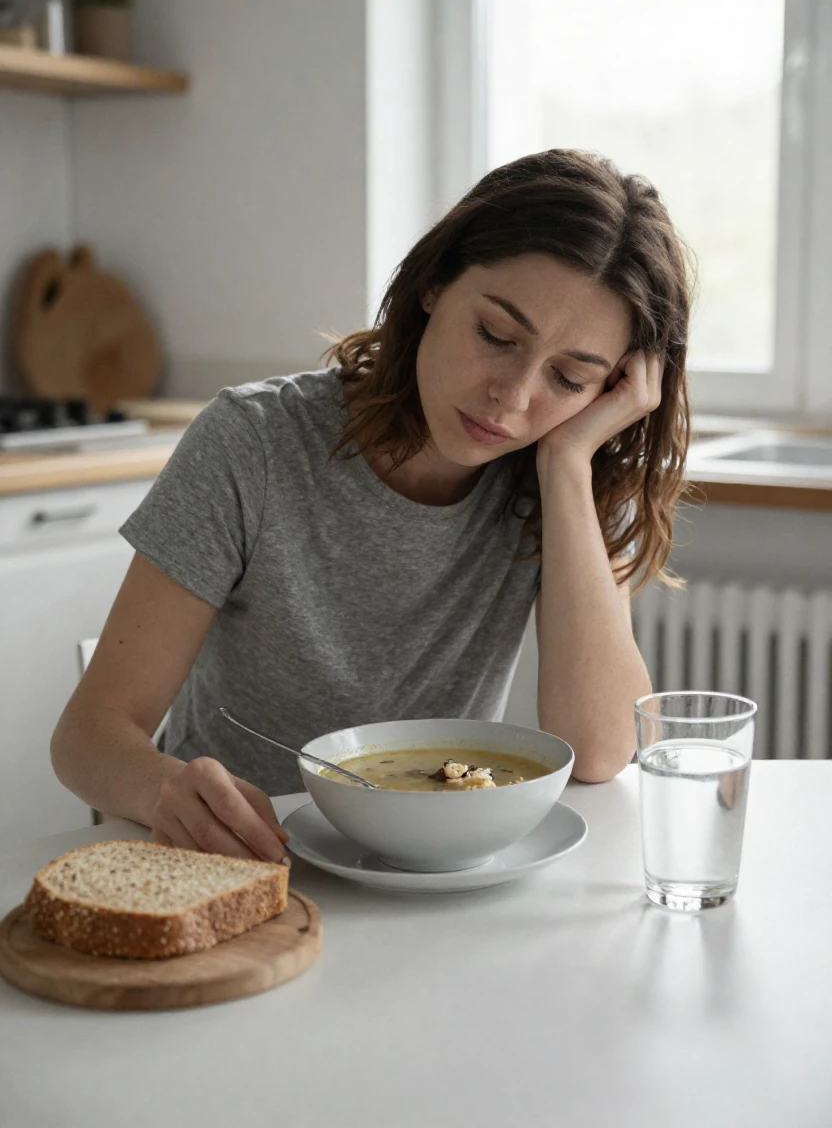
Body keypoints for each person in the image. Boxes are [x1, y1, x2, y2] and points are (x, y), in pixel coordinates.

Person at [50, 148, 692, 864]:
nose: (512, 399)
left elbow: (605, 748)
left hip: (432, 869)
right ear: (434, 283)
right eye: (496, 337)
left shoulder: (563, 476)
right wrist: (161, 789)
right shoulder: (254, 443)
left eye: (569, 378)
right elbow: (89, 735)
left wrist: (568, 466)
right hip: (246, 861)